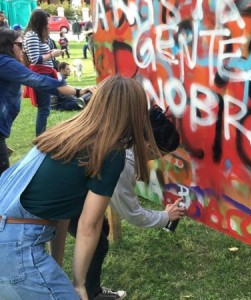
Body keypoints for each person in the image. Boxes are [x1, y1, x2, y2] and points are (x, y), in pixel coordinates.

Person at [0, 74, 161, 300]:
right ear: (135, 113)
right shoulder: (111, 153)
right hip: (13, 247)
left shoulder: (65, 132)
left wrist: (56, 265)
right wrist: (79, 285)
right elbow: (89, 224)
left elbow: (62, 214)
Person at [58, 105, 184, 300]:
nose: (159, 159)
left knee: (102, 228)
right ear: (150, 146)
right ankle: (91, 293)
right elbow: (132, 213)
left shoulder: (123, 136)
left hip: (66, 191)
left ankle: (90, 289)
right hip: (62, 199)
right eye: (161, 154)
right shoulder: (124, 161)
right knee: (98, 242)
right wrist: (165, 216)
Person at [0, 29, 93, 176]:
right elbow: (37, 80)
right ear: (8, 45)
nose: (24, 50)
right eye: (20, 45)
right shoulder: (4, 61)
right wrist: (77, 91)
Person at [23, 9, 65, 136]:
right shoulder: (32, 36)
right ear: (40, 21)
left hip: (46, 72)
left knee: (45, 107)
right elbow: (35, 59)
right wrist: (52, 54)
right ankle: (40, 137)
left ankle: (41, 136)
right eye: (46, 21)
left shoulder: (37, 35)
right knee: (44, 108)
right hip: (41, 73)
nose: (48, 24)